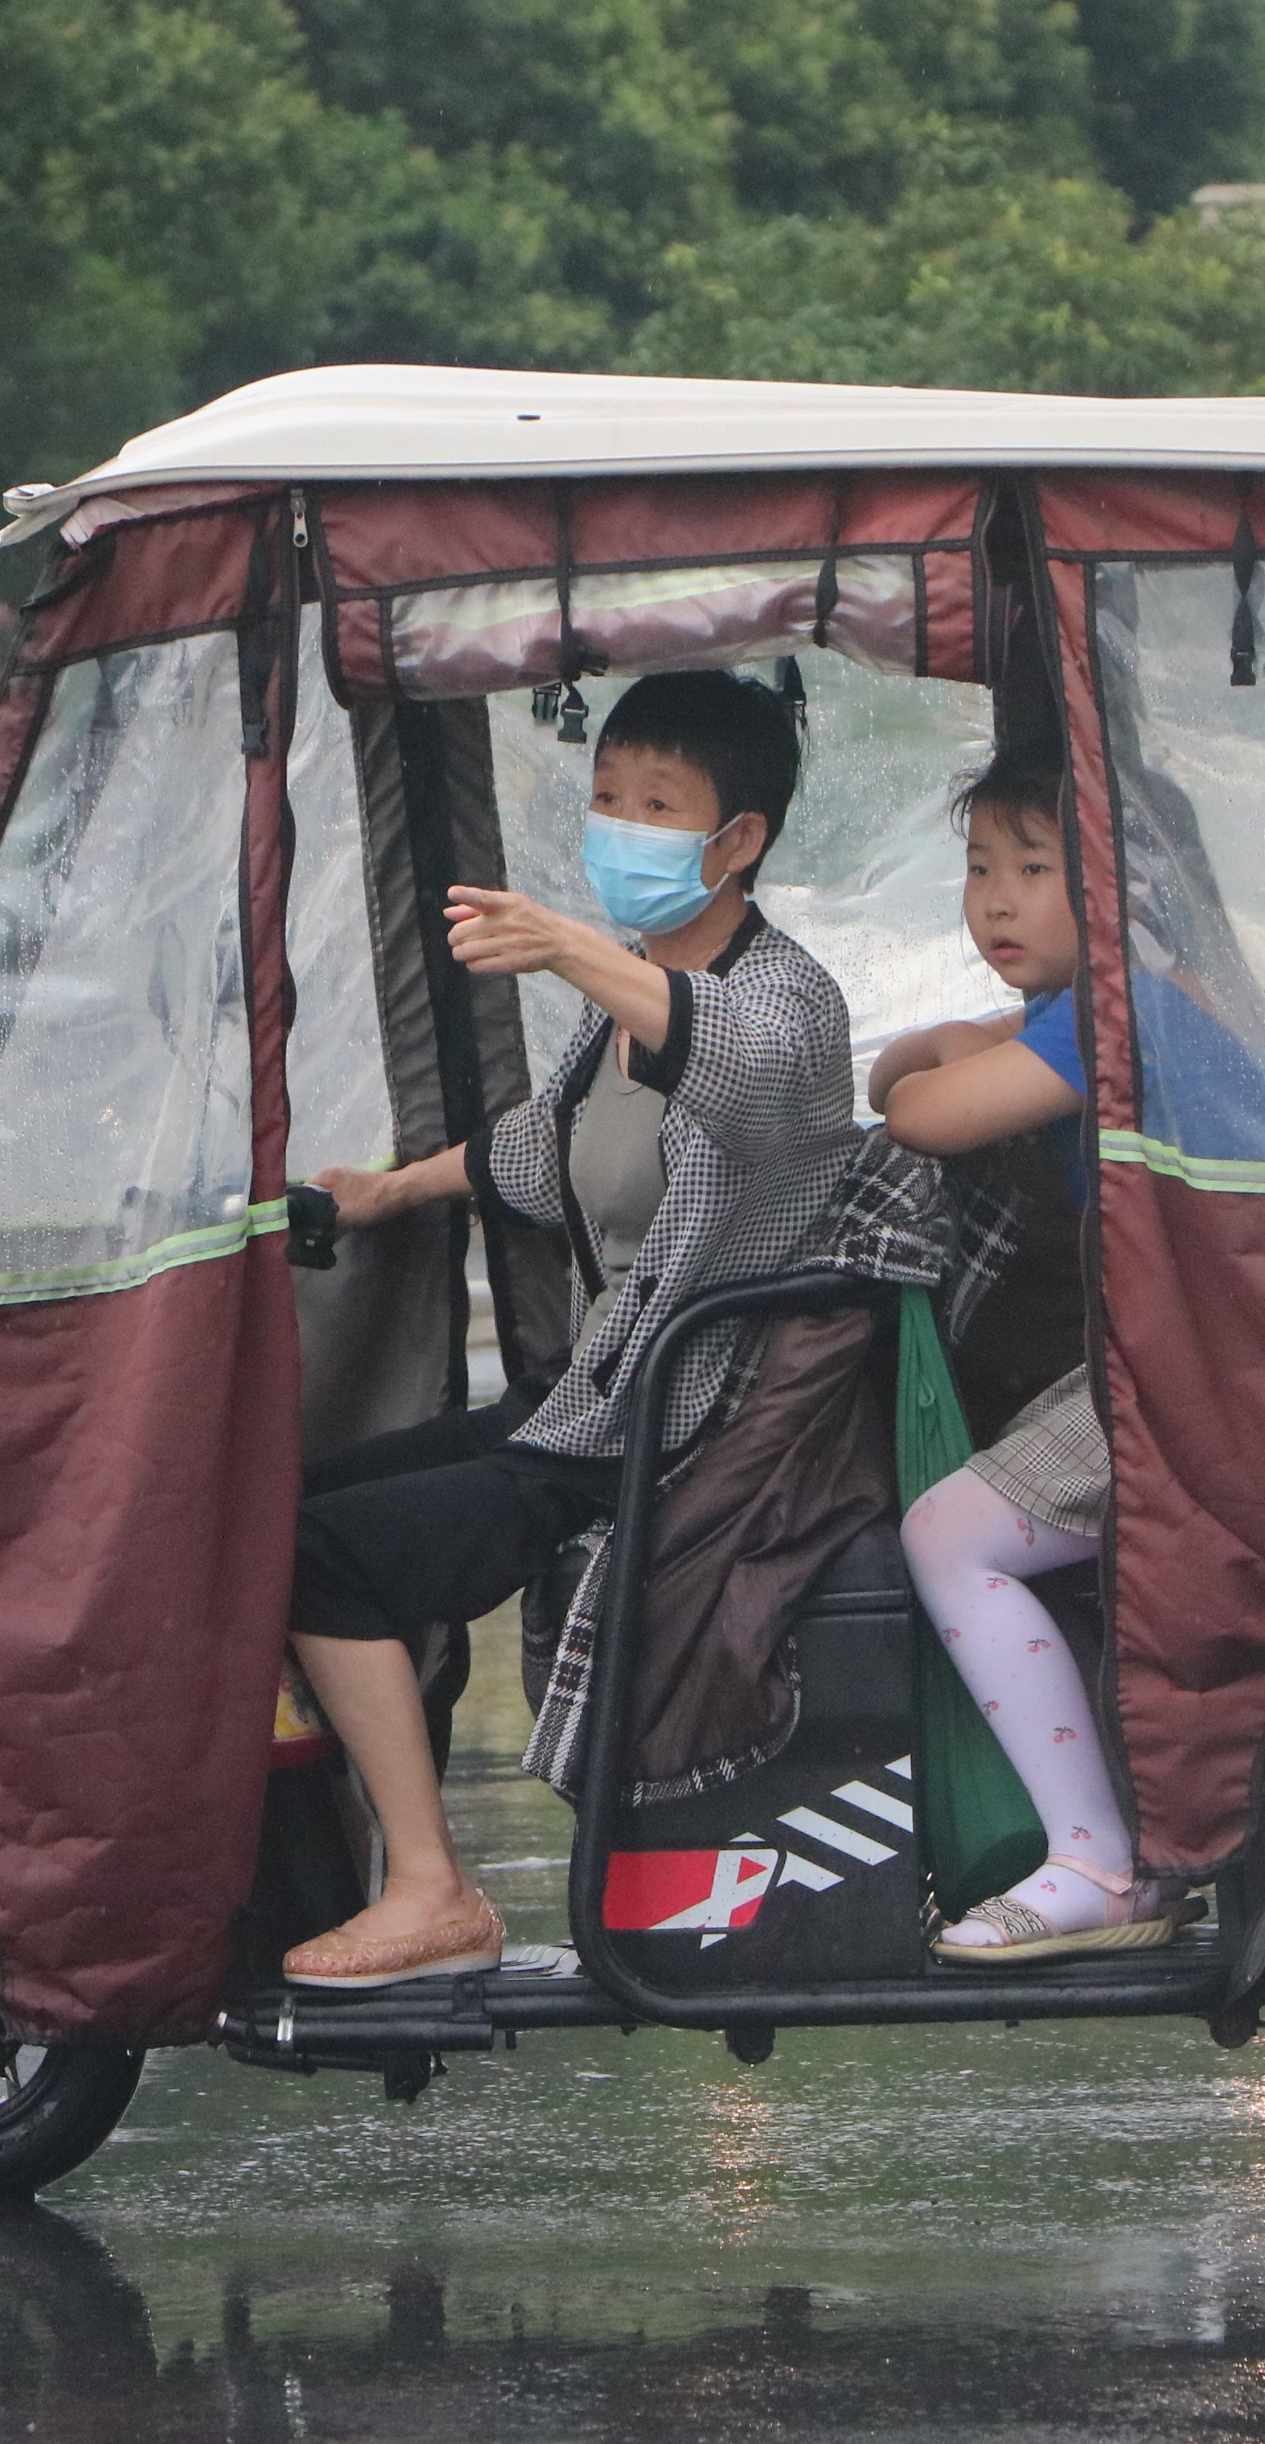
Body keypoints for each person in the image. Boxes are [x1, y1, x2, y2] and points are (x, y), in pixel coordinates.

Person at [288, 669, 860, 1987]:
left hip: (674, 1424)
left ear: (741, 840)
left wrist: (563, 947)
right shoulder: (633, 998)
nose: (619, 826)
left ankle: (431, 1887)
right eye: (605, 796)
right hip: (593, 1396)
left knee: (324, 1555)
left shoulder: (781, 1000)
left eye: (657, 805)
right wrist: (384, 1187)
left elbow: (738, 1066)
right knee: (290, 1503)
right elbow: (542, 1157)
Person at [867, 753, 1177, 1963]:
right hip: (1202, 1343)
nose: (992, 901)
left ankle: (1097, 1863)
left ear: (1119, 885)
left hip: (1204, 1368)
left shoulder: (1118, 1010)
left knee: (954, 1532)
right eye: (976, 870)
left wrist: (941, 1047)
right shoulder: (1117, 998)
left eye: (1031, 871)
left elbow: (917, 1111)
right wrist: (952, 1038)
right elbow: (912, 1069)